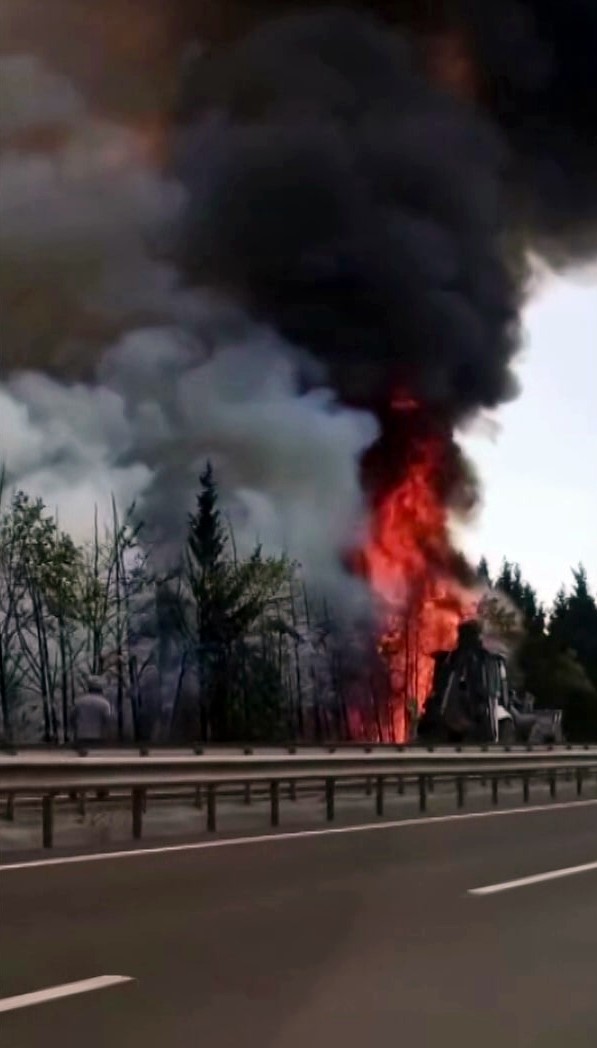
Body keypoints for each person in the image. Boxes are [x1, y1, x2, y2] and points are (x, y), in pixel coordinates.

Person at [72, 675, 113, 748]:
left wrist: (75, 730)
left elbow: (72, 718)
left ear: (89, 689)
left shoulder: (79, 701)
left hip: (81, 735)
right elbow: (108, 721)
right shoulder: (104, 703)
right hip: (98, 736)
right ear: (100, 690)